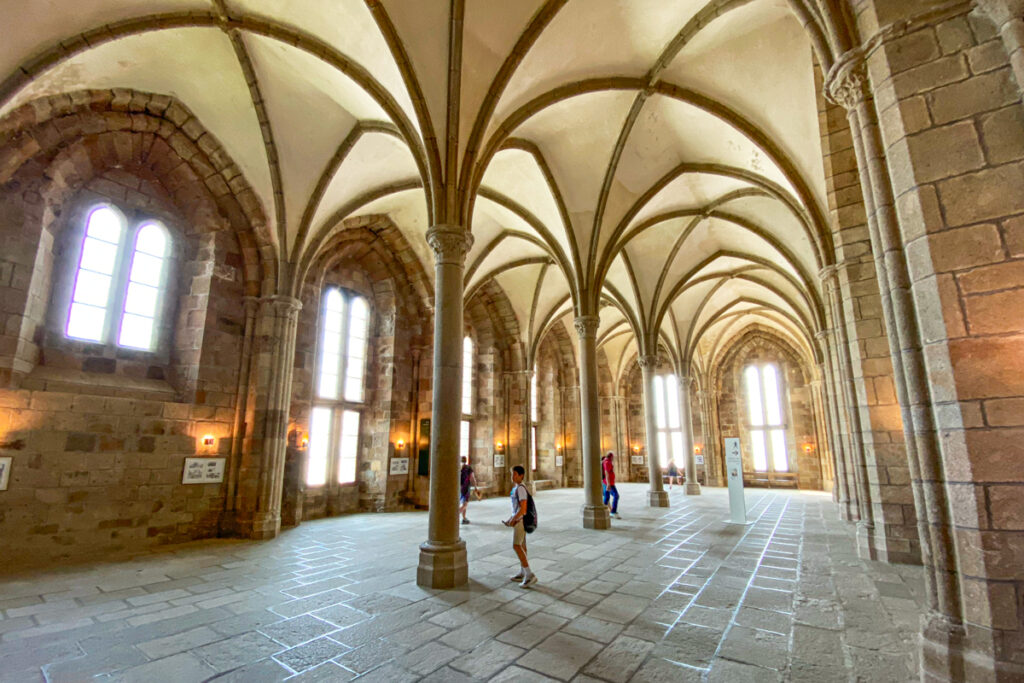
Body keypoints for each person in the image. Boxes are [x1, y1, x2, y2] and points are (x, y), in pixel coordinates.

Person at [503, 465, 537, 588]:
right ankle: (523, 572)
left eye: (515, 474)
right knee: (522, 546)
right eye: (512, 474)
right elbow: (516, 507)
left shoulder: (521, 489)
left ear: (521, 475)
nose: (512, 476)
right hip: (518, 520)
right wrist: (510, 519)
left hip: (520, 521)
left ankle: (529, 574)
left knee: (516, 546)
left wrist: (514, 519)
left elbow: (523, 509)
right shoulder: (516, 488)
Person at [459, 456, 480, 524]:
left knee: (462, 503)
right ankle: (455, 516)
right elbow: (472, 478)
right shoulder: (468, 468)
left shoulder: (458, 467)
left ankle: (464, 518)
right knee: (465, 504)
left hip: (458, 488)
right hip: (465, 487)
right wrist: (475, 487)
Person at [602, 452, 620, 519]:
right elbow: (606, 473)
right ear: (611, 457)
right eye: (613, 457)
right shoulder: (607, 462)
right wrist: (608, 484)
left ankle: (603, 512)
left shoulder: (606, 461)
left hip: (607, 482)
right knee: (616, 495)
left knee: (606, 497)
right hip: (609, 483)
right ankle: (613, 512)